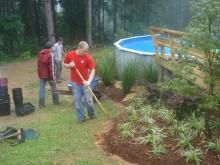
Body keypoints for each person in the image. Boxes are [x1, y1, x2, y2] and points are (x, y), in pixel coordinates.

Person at [63, 41, 96, 123]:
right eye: (84, 51)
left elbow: (93, 70)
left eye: (87, 51)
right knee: (78, 102)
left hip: (85, 82)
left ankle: (91, 114)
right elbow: (64, 63)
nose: (86, 53)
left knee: (89, 101)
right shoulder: (70, 55)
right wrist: (69, 65)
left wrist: (89, 81)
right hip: (75, 83)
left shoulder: (88, 57)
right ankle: (81, 118)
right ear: (79, 48)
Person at [38, 41, 59, 108]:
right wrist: (53, 77)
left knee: (41, 89)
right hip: (49, 75)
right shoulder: (50, 55)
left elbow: (39, 64)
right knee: (54, 87)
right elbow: (52, 67)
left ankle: (41, 104)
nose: (53, 48)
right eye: (53, 47)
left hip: (41, 74)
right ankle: (56, 102)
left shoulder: (40, 52)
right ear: (50, 47)